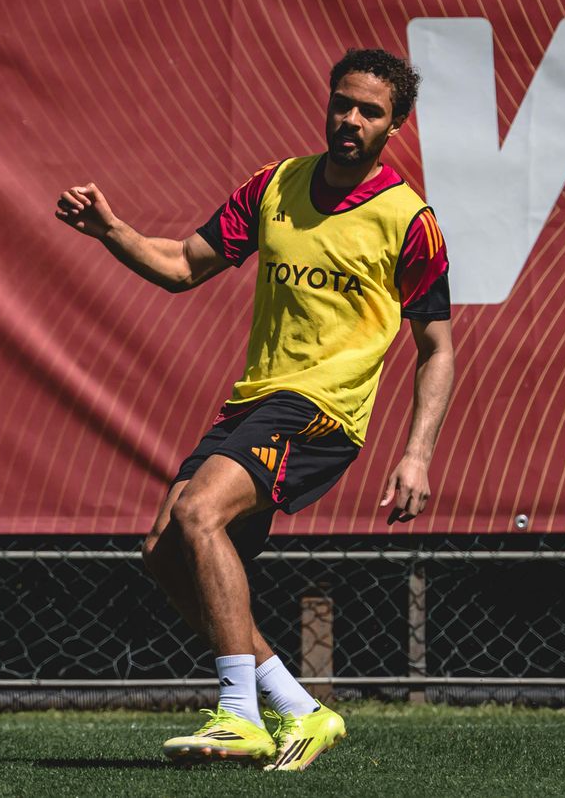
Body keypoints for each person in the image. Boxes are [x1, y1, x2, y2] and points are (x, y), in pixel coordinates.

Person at [54, 48, 454, 772]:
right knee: (163, 553)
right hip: (255, 402)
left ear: (394, 126)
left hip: (324, 411)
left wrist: (417, 452)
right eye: (343, 103)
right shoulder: (275, 185)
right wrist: (110, 230)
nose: (350, 120)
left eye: (370, 111)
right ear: (328, 103)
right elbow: (182, 266)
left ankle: (238, 714)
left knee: (198, 513)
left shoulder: (408, 220)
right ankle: (300, 709)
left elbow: (436, 348)